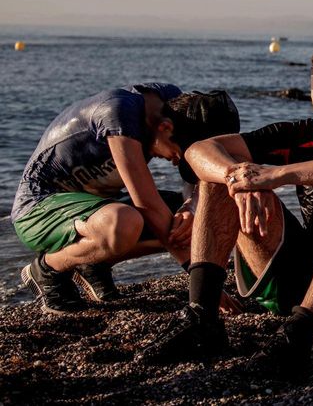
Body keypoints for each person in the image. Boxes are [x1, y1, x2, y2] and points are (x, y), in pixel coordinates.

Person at [139, 39, 313, 374]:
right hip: (299, 281)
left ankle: (299, 334)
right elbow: (200, 149)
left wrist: (278, 175)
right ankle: (202, 316)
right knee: (223, 176)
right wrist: (238, 177)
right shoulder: (301, 133)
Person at [12, 84, 238, 313]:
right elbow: (148, 206)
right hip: (38, 209)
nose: (176, 162)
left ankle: (94, 263)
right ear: (165, 127)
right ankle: (48, 269)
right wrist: (204, 284)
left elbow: (199, 175)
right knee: (123, 222)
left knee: (206, 214)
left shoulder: (178, 107)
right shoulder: (118, 115)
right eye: (177, 154)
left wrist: (191, 206)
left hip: (97, 207)